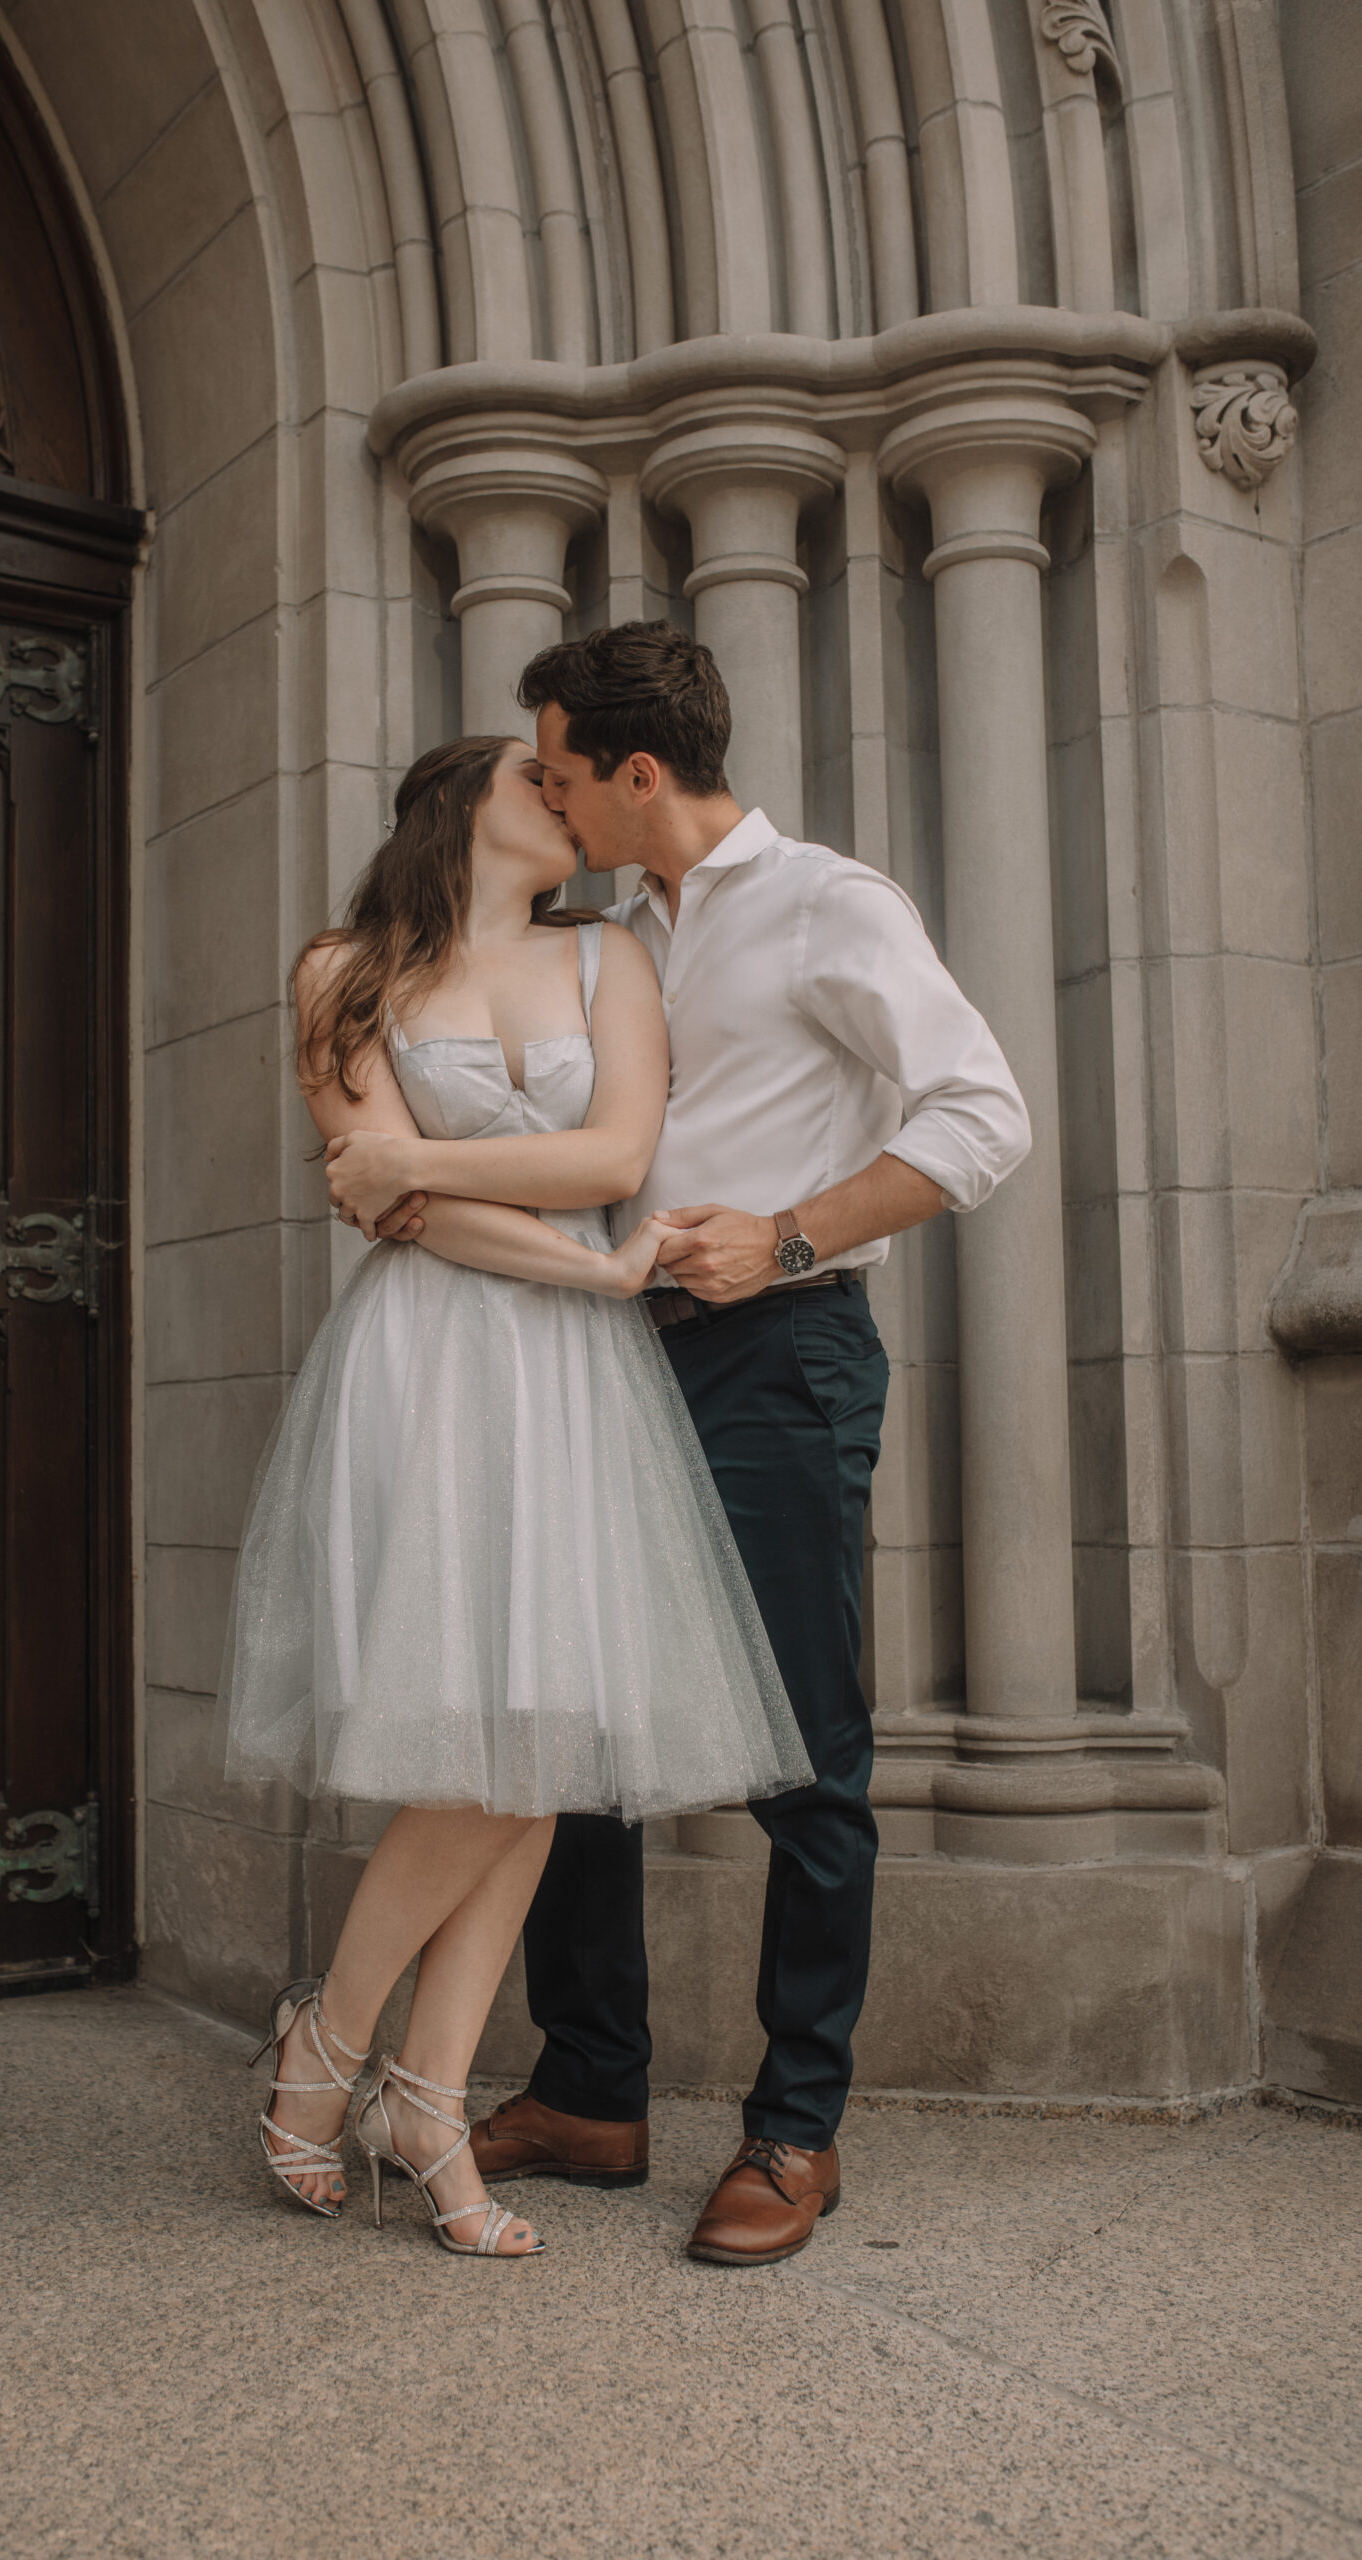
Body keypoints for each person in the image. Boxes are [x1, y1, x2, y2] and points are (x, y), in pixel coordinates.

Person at [331, 623, 1031, 2269]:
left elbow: (982, 1116)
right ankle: (590, 2088)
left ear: (637, 773)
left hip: (782, 1352)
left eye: (562, 771)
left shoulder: (833, 908)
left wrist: (788, 1239)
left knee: (806, 1752)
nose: (548, 797)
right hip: (595, 1353)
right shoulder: (605, 928)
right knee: (573, 1738)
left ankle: (796, 2128)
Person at [217, 732, 812, 2260]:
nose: (564, 802)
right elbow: (402, 1221)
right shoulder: (337, 970)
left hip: (572, 1376)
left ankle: (411, 2087)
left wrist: (428, 1165)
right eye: (533, 783)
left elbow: (608, 1149)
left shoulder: (609, 956)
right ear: (457, 805)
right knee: (476, 1743)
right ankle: (341, 2051)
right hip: (431, 1365)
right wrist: (582, 1255)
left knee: (538, 1740)